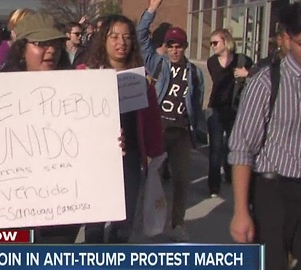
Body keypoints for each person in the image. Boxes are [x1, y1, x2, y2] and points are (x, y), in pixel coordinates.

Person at [0, 12, 125, 243]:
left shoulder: (82, 89)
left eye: (55, 44)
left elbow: (92, 142)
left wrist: (111, 142)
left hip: (63, 211)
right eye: (41, 44)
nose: (52, 50)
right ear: (22, 49)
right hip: (10, 212)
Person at [228, 2, 301, 269]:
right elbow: (241, 147)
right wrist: (240, 211)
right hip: (274, 192)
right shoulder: (266, 82)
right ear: (287, 40)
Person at [83, 14, 164, 243]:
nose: (121, 43)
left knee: (123, 224)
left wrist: (155, 158)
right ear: (103, 40)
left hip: (129, 159)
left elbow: (151, 124)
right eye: (115, 36)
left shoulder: (141, 80)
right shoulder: (86, 75)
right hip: (95, 161)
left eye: (127, 37)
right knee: (94, 225)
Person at [136, 0, 205, 242]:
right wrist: (152, 9)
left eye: (179, 46)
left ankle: (177, 223)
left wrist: (197, 131)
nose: (175, 50)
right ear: (165, 47)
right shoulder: (158, 65)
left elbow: (196, 103)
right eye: (171, 46)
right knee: (151, 179)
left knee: (181, 181)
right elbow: (141, 36)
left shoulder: (194, 72)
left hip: (181, 132)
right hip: (159, 130)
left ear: (185, 47)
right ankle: (146, 220)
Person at [206, 29, 253, 197]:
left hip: (235, 110)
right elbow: (219, 81)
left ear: (226, 41)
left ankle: (230, 175)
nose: (212, 46)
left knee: (232, 146)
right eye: (211, 43)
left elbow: (259, 75)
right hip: (216, 109)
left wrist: (246, 74)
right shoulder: (212, 62)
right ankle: (213, 186)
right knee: (215, 148)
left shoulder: (242, 60)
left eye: (215, 42)